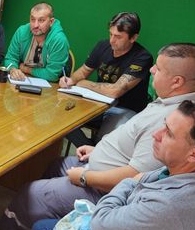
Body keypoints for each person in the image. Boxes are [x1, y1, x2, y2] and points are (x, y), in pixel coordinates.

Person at [0, 43, 195, 230]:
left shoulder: (176, 121)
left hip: (104, 189)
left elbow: (135, 177)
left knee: (32, 192)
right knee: (56, 164)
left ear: (177, 81)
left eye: (158, 69)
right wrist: (98, 150)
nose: (151, 70)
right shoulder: (179, 103)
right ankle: (46, 222)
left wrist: (85, 177)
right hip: (99, 164)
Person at [0, 101, 195, 230]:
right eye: (163, 126)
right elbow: (131, 188)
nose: (156, 135)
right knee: (40, 228)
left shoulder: (173, 206)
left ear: (194, 154)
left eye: (168, 134)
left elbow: (121, 195)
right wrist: (110, 229)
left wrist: (106, 227)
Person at [60, 12, 153, 143]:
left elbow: (115, 91)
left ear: (133, 38)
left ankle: (93, 153)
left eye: (118, 37)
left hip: (126, 109)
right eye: (110, 34)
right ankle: (88, 150)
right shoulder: (103, 46)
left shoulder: (142, 57)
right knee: (61, 120)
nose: (112, 40)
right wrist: (70, 80)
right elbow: (83, 71)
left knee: (106, 142)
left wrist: (84, 83)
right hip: (98, 103)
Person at [3, 2, 69, 82]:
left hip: (49, 87)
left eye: (41, 20)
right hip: (21, 80)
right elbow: (10, 58)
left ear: (51, 22)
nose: (35, 25)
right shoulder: (21, 32)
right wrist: (13, 69)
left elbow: (52, 75)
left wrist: (26, 69)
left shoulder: (59, 40)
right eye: (33, 19)